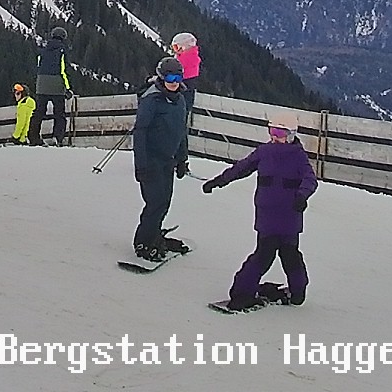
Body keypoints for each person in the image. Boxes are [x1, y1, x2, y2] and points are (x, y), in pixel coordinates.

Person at [203, 108, 318, 309]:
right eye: (271, 131)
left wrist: (302, 196)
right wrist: (219, 181)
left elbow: (310, 179)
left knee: (286, 255)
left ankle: (251, 293)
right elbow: (241, 168)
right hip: (268, 214)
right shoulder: (264, 151)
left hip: (289, 214)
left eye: (279, 133)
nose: (274, 136)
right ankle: (287, 292)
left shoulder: (298, 156)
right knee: (269, 254)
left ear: (291, 134)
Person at [132, 56, 192, 260]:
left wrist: (182, 159)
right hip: (151, 159)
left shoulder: (180, 100)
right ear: (161, 77)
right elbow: (140, 132)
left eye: (178, 78)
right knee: (155, 202)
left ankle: (153, 234)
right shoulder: (152, 100)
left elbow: (181, 131)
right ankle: (142, 242)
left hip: (168, 159)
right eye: (170, 78)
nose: (174, 82)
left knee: (164, 201)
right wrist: (141, 165)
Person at [32, 28, 73, 145]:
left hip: (41, 85)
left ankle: (33, 137)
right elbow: (63, 70)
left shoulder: (43, 50)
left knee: (39, 113)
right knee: (59, 114)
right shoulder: (62, 50)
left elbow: (38, 67)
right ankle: (57, 137)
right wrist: (68, 88)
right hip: (56, 85)